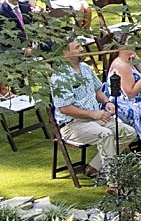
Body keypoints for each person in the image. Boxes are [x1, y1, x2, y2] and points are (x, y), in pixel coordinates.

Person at [50, 38, 128, 178]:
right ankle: (114, 181)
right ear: (65, 52)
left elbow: (98, 90)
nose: (82, 49)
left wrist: (106, 102)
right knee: (106, 135)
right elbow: (65, 108)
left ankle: (95, 166)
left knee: (128, 132)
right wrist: (93, 114)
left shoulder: (85, 68)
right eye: (77, 47)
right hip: (72, 125)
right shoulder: (59, 77)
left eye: (81, 46)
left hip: (95, 119)